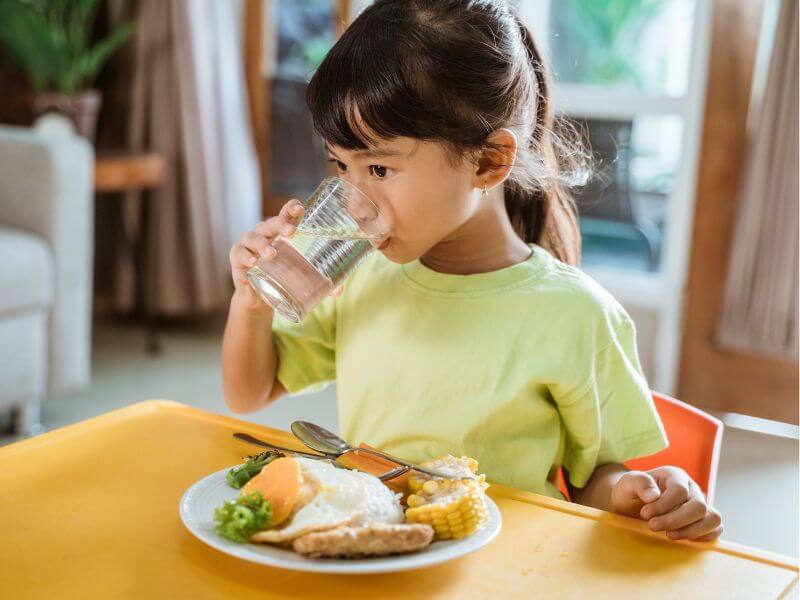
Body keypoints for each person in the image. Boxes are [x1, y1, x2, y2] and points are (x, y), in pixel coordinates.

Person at [222, 0, 722, 542]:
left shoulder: (575, 314)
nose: (352, 198)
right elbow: (249, 393)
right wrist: (250, 302)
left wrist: (641, 493)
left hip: (512, 566)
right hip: (382, 557)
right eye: (341, 165)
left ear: (487, 162)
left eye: (380, 168)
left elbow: (597, 480)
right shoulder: (360, 278)